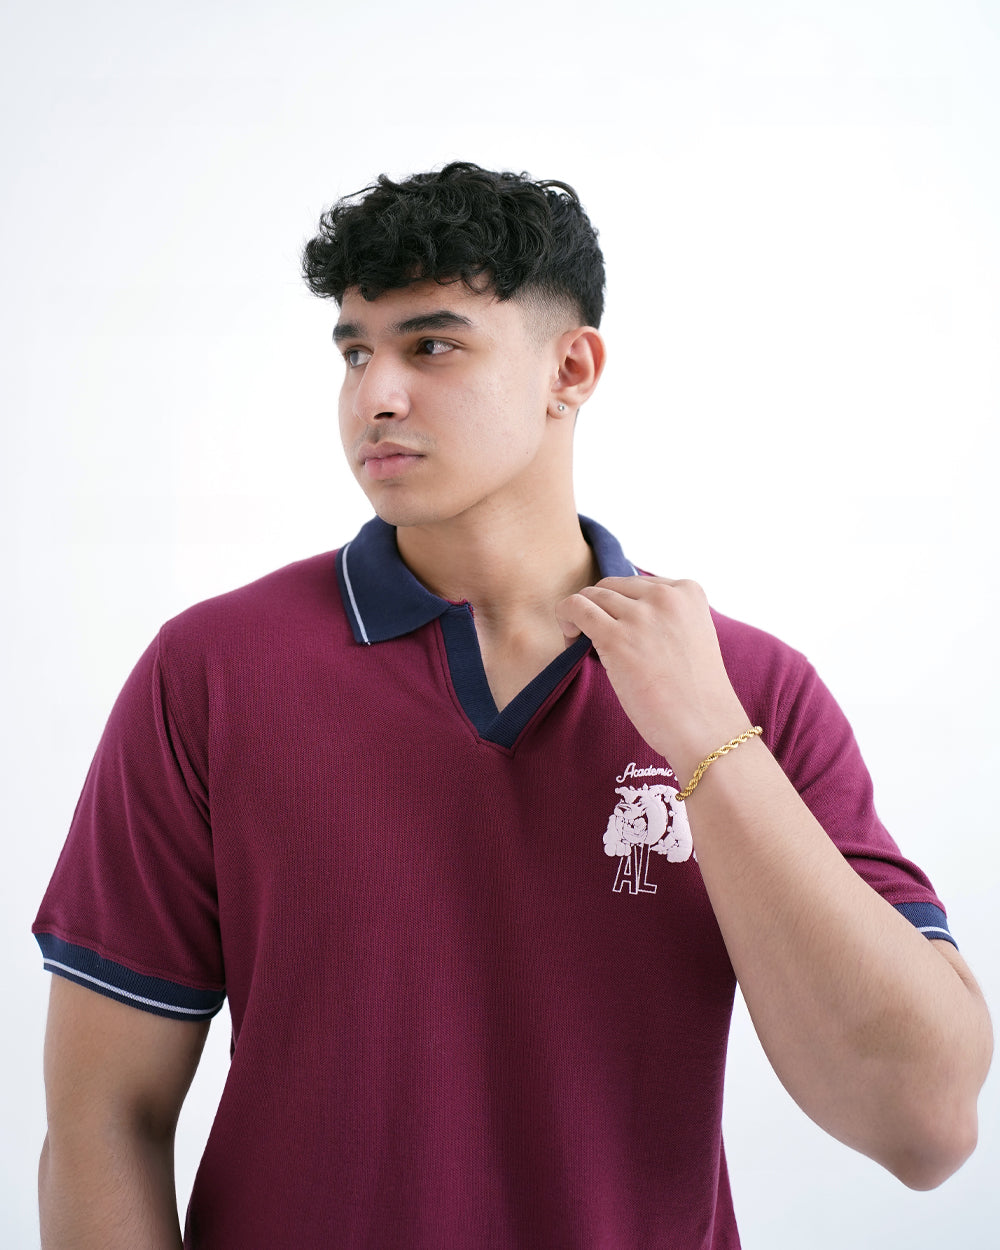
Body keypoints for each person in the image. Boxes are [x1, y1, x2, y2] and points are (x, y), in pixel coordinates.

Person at [35, 162, 992, 1250]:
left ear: (569, 368)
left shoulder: (749, 689)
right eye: (354, 352)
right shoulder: (211, 672)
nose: (374, 395)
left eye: (431, 346)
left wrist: (708, 744)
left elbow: (922, 1127)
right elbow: (102, 1119)